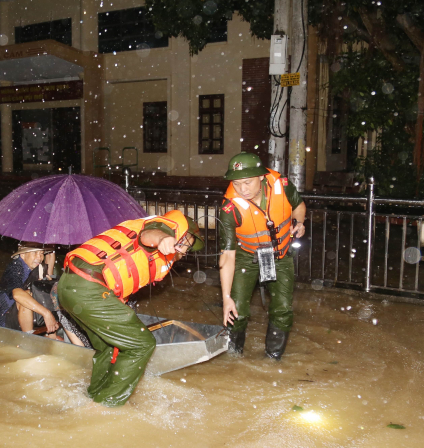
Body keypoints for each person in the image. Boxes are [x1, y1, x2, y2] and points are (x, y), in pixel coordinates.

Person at [58, 210, 204, 407]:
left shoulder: (155, 232)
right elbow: (149, 236)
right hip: (88, 285)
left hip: (70, 285)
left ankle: (94, 397)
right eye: (187, 244)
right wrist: (164, 239)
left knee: (110, 346)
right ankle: (105, 406)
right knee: (142, 344)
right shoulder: (164, 227)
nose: (185, 252)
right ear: (183, 234)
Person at [218, 152, 306, 360]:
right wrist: (226, 298)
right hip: (246, 257)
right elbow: (227, 256)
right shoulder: (229, 208)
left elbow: (299, 206)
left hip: (281, 254)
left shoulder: (281, 185)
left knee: (283, 309)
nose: (242, 189)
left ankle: (272, 359)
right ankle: (232, 358)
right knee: (236, 309)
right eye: (237, 184)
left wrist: (300, 222)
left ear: (261, 176)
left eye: (247, 182)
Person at [0, 243, 60, 337]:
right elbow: (17, 295)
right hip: (7, 322)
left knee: (45, 290)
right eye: (35, 253)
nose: (39, 257)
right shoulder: (15, 267)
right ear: (23, 254)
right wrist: (47, 314)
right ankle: (29, 339)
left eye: (41, 253)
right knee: (26, 295)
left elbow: (47, 287)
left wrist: (52, 335)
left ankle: (51, 337)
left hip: (28, 317)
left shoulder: (37, 267)